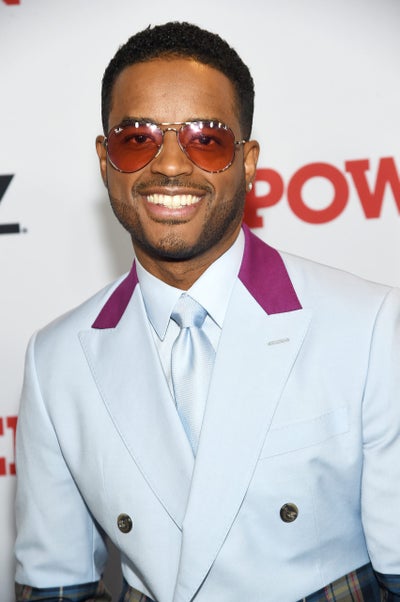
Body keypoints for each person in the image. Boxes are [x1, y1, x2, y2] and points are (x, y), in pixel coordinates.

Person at [14, 21, 400, 602]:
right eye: (137, 138)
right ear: (105, 160)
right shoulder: (56, 361)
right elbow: (55, 587)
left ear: (248, 162)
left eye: (207, 139)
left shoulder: (366, 325)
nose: (170, 165)